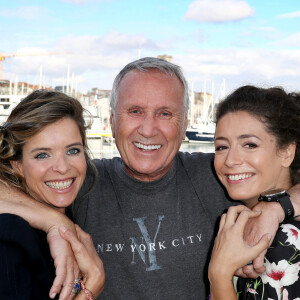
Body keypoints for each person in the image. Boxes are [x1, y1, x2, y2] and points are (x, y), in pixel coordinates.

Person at [0, 58, 299, 300]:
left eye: (165, 113)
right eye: (135, 111)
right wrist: (56, 222)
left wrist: (277, 207)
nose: (148, 129)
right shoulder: (79, 181)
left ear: (184, 126)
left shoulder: (220, 174)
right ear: (112, 121)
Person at [0, 90, 105, 300]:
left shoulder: (73, 222)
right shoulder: (9, 241)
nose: (62, 167)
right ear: (18, 165)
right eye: (42, 155)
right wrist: (93, 283)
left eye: (73, 150)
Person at [208, 85, 300, 299]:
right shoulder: (251, 228)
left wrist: (219, 274)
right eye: (221, 147)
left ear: (287, 152)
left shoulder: (282, 243)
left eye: (249, 145)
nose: (230, 160)